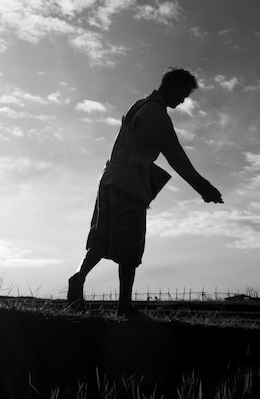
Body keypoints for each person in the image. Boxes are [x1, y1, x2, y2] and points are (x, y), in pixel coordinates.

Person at [67, 68, 223, 318]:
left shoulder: (137, 106)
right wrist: (203, 187)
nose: (182, 101)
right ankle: (124, 306)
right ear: (172, 86)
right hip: (129, 184)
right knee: (130, 245)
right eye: (183, 94)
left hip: (110, 180)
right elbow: (177, 157)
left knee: (102, 238)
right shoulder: (156, 115)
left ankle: (78, 278)